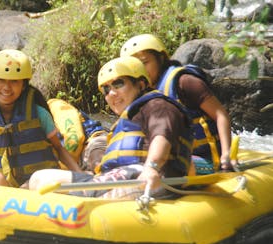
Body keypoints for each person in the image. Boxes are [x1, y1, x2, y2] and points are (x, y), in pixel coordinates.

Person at [29, 57, 193, 199]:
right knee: (37, 180)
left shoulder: (157, 105)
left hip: (144, 177)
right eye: (106, 90)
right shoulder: (129, 117)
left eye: (118, 84)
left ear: (141, 84)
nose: (111, 94)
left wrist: (152, 167)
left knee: (47, 184)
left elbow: (162, 136)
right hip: (122, 176)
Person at [120, 34, 234, 174]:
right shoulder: (142, 93)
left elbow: (221, 115)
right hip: (173, 155)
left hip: (206, 158)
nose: (140, 70)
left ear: (160, 58)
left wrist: (226, 155)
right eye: (134, 66)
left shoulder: (185, 82)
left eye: (144, 63)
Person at [0, 49, 82, 188]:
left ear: (23, 85)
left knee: (32, 183)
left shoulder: (39, 113)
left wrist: (80, 176)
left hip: (36, 185)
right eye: (1, 80)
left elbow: (59, 149)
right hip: (1, 190)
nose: (6, 87)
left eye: (14, 82)